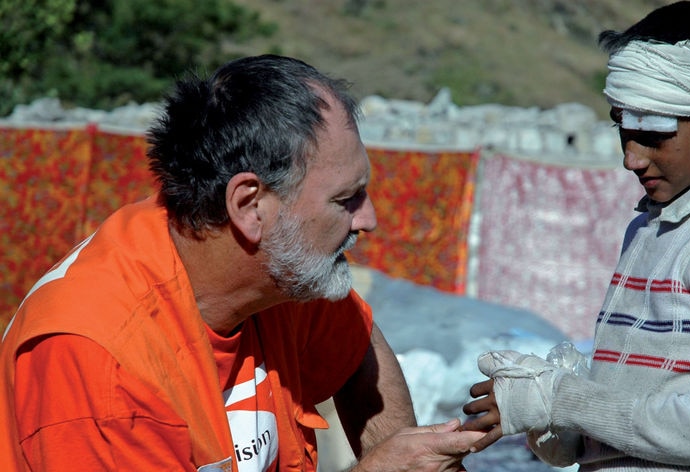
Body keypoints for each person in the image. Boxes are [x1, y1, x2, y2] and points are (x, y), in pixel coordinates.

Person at [0, 54, 483, 471]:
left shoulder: (282, 271)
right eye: (347, 199)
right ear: (250, 205)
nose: (369, 220)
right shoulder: (98, 365)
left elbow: (356, 346)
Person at [461, 2, 690, 471]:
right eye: (624, 130)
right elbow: (633, 411)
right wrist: (552, 421)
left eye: (655, 136)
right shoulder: (648, 226)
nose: (632, 159)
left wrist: (561, 398)